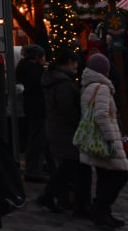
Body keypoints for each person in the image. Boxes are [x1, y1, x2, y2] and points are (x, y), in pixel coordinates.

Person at [79, 53, 128, 228]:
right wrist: (111, 138)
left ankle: (103, 213)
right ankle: (101, 209)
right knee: (120, 176)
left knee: (105, 177)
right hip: (104, 139)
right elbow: (101, 116)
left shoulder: (88, 85)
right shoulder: (101, 87)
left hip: (96, 140)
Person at [38, 48, 90, 215]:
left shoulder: (53, 79)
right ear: (69, 62)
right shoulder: (63, 83)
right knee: (73, 167)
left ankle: (50, 196)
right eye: (75, 64)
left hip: (57, 129)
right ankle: (52, 196)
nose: (76, 68)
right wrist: (80, 124)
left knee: (68, 167)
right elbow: (67, 109)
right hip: (66, 131)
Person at [16, 44, 51, 182]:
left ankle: (38, 167)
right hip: (37, 108)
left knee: (39, 138)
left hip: (32, 107)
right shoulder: (35, 70)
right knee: (37, 139)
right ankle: (34, 171)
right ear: (37, 57)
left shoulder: (25, 67)